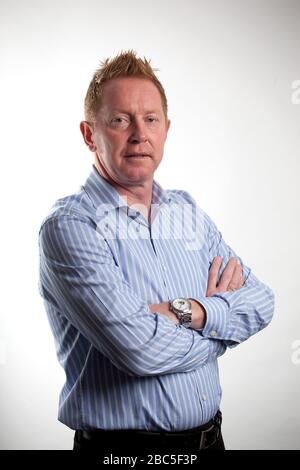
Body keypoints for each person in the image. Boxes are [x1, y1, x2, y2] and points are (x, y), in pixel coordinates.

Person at [38, 50, 274, 454]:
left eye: (150, 119)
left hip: (211, 441)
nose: (138, 134)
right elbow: (139, 351)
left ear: (166, 129)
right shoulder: (71, 228)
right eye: (119, 120)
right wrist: (221, 323)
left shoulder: (187, 212)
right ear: (89, 134)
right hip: (123, 453)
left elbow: (262, 302)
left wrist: (190, 312)